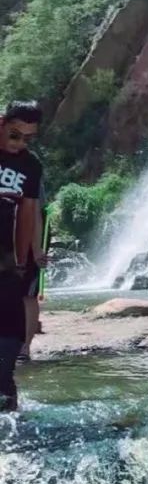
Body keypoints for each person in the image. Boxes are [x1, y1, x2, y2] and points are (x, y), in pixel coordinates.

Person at [0, 102, 46, 360]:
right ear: (2, 123)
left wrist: (34, 249)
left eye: (28, 138)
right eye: (15, 135)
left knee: (24, 294)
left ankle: (23, 349)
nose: (20, 143)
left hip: (12, 239)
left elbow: (32, 210)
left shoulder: (31, 165)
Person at [0, 151, 34, 410]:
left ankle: (8, 402)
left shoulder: (28, 166)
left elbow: (30, 211)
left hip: (8, 267)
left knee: (11, 332)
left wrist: (23, 260)